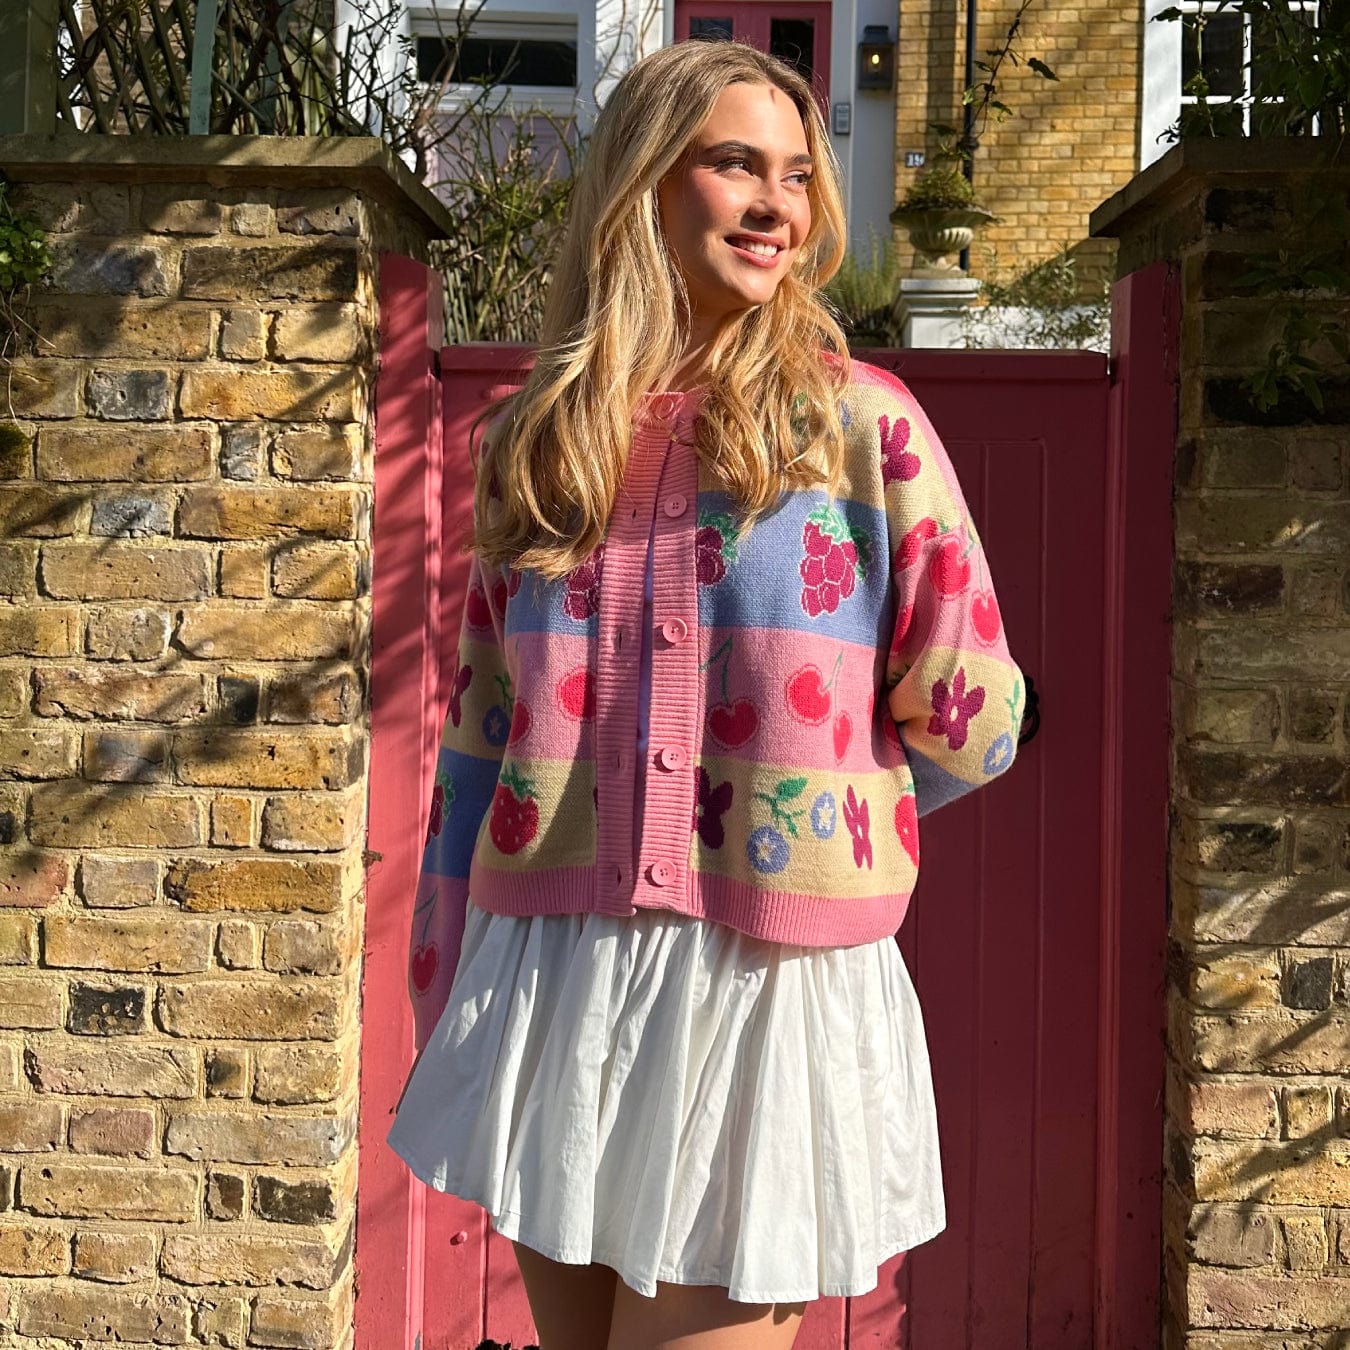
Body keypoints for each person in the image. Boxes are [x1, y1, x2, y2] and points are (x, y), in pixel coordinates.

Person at [386, 38, 1025, 1350]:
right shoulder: (540, 443)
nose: (777, 204)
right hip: (553, 975)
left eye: (797, 174)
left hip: (762, 987)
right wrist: (445, 974)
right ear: (644, 185)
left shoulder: (860, 427)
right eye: (737, 164)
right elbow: (478, 738)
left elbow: (975, 711)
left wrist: (825, 818)